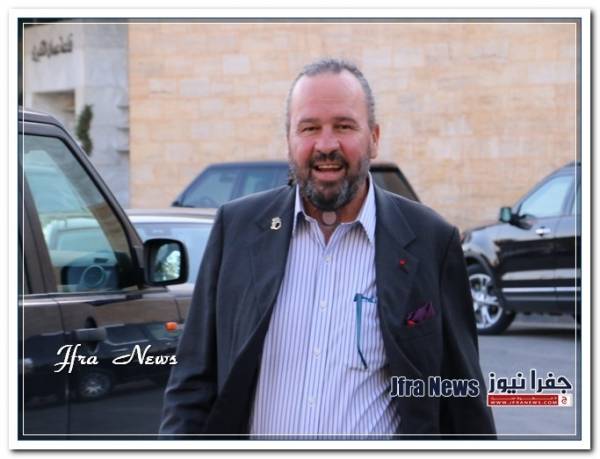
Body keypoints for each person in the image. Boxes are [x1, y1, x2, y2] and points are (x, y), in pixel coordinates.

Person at [159, 58, 496, 439]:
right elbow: (192, 384)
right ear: (289, 139)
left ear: (374, 137)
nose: (326, 145)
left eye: (344, 126)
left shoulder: (431, 241)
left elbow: (461, 398)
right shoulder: (236, 230)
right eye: (309, 128)